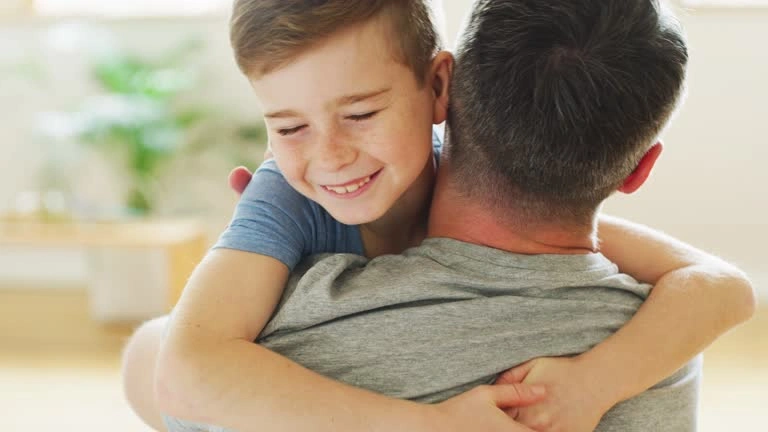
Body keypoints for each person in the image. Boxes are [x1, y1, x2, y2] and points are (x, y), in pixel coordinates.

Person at [122, 0, 756, 431]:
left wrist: (595, 383)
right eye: (287, 127)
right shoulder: (284, 196)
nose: (330, 155)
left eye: (361, 113)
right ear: (637, 168)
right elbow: (183, 368)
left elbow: (724, 288)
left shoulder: (443, 166)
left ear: (441, 88)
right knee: (154, 342)